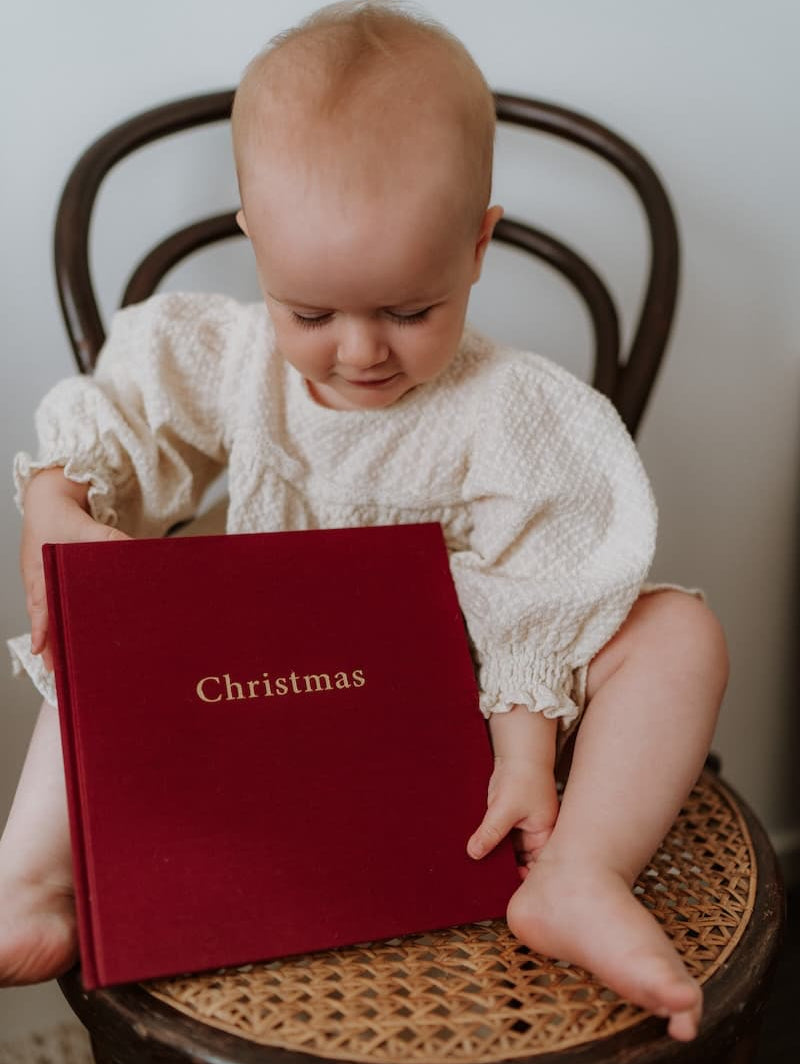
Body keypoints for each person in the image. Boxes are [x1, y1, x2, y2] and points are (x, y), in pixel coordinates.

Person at [0, 0, 727, 1042]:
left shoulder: (516, 409)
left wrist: (522, 750)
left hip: (463, 720)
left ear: (477, 246)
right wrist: (53, 500)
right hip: (268, 703)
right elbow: (119, 417)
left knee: (678, 631)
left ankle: (577, 873)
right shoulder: (226, 357)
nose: (358, 352)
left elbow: (542, 584)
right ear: (256, 245)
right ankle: (32, 881)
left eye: (406, 309)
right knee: (110, 605)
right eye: (311, 313)